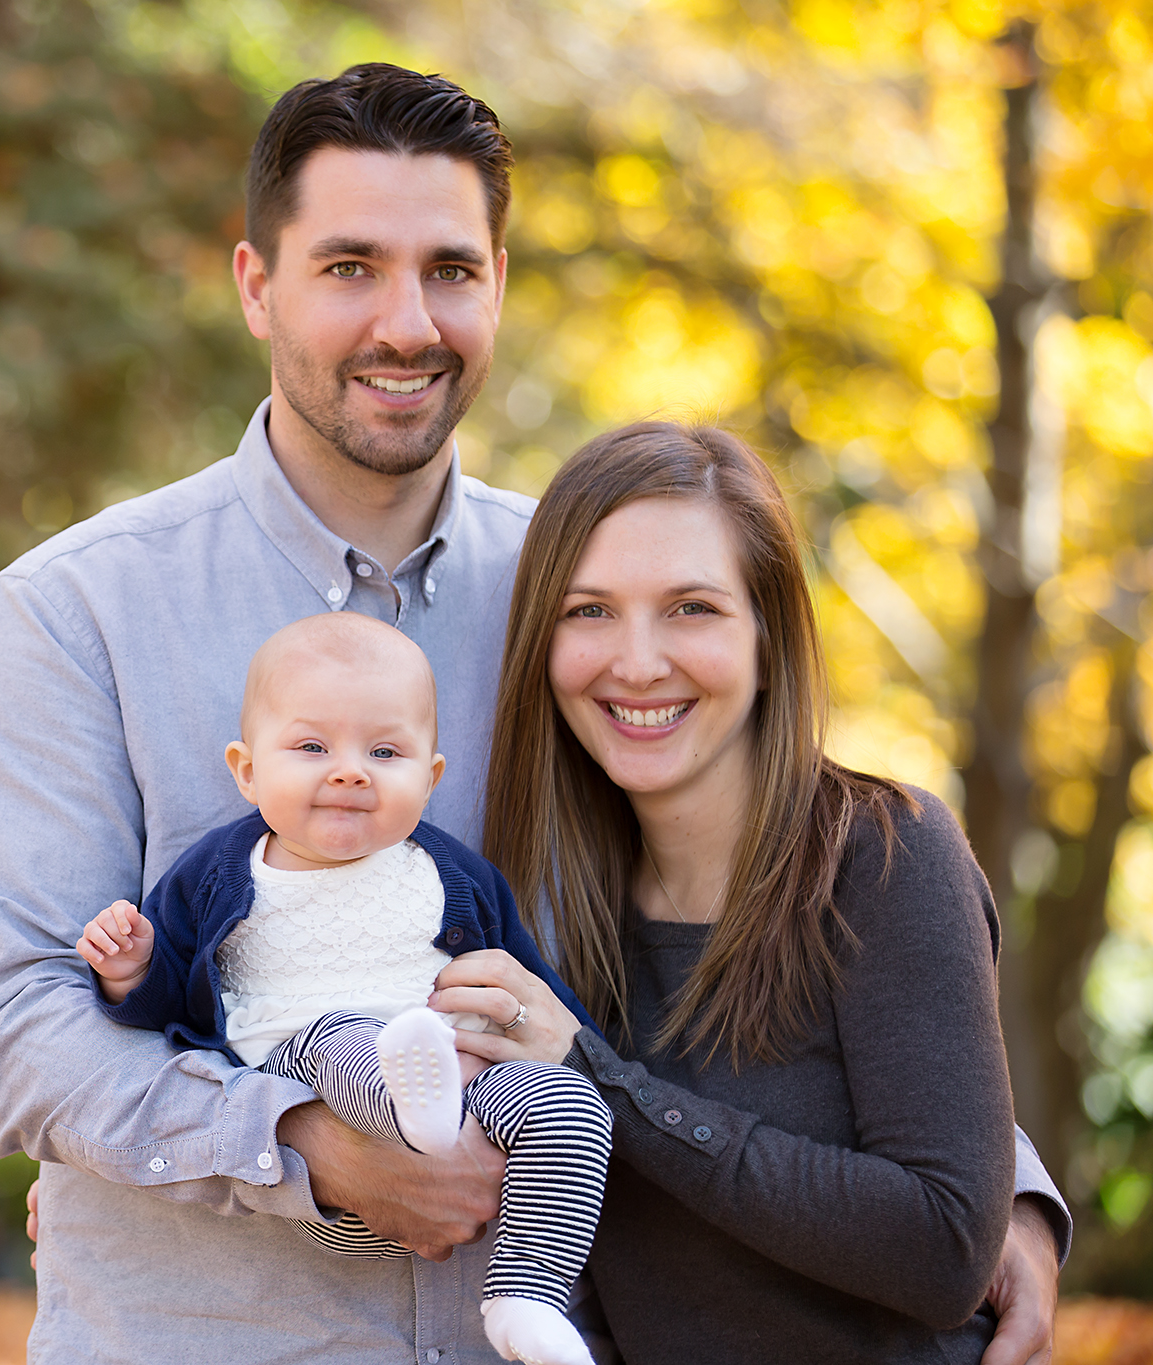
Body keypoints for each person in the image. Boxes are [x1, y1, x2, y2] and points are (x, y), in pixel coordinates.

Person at [0, 63, 1066, 1364]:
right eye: (349, 265)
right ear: (256, 283)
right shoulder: (79, 615)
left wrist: (998, 1192)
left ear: (499, 284)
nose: (406, 321)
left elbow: (771, 898)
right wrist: (302, 1147)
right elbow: (11, 1027)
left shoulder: (590, 600)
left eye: (451, 271)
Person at [434, 421, 1019, 1363]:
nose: (635, 661)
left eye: (691, 608)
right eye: (588, 612)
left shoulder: (884, 856)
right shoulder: (555, 912)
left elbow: (945, 1245)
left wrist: (597, 1081)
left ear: (768, 633)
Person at [78, 613, 612, 1365]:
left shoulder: (454, 875)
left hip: (459, 1082)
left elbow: (535, 988)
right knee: (345, 1038)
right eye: (312, 747)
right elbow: (170, 1000)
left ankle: (525, 1294)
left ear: (429, 777)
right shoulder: (221, 873)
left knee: (574, 1107)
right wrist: (132, 968)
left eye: (385, 751)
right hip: (311, 1099)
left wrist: (571, 1055)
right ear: (247, 769)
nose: (351, 770)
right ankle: (408, 1107)